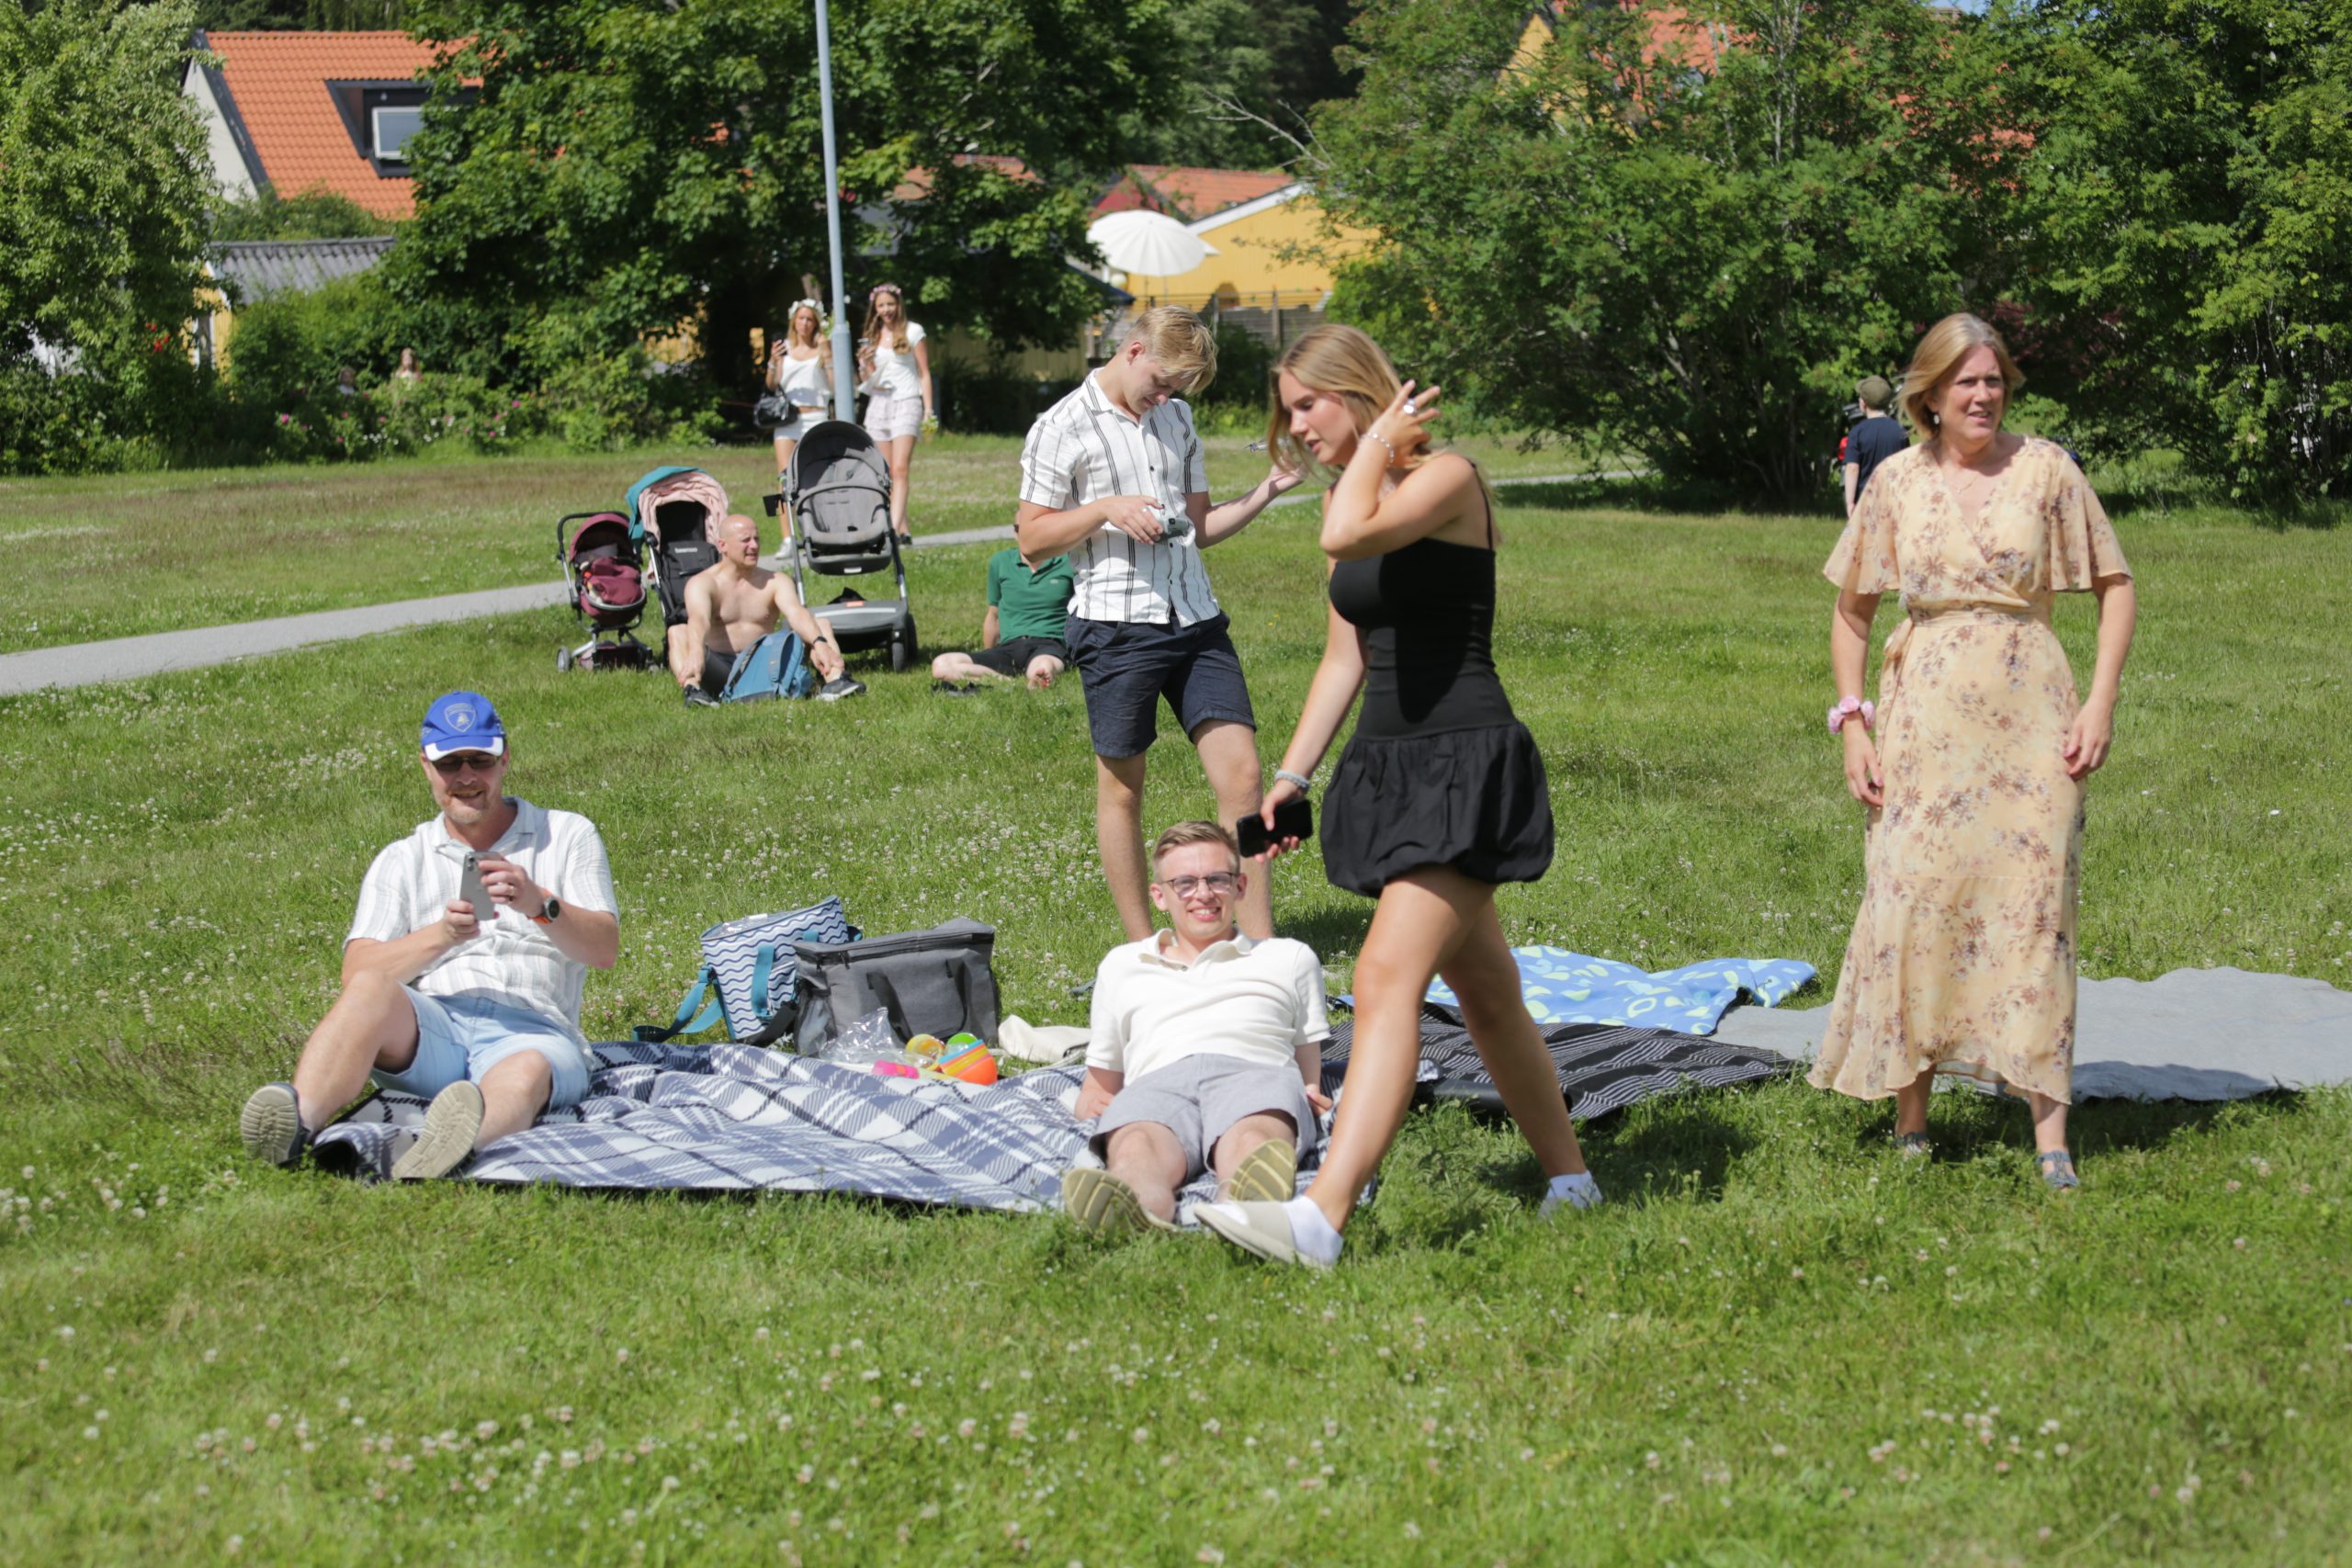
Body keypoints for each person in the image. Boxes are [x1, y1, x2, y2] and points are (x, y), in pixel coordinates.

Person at [1195, 323, 1599, 1270]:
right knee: (1486, 994)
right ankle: (1574, 1184)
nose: (1298, 427)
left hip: (1464, 762)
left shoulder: (1445, 478)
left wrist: (1377, 444)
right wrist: (1291, 777)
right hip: (1392, 766)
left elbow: (1342, 534)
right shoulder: (1357, 495)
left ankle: (1320, 1218)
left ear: (1358, 392)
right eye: (1288, 412)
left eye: (1309, 405)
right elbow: (1345, 657)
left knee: (1382, 979)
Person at [1815, 312, 2137, 1190]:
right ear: (1930, 394)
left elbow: (2116, 585)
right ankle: (1911, 1120)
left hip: (2034, 720)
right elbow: (1852, 611)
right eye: (1966, 381)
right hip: (1922, 723)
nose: (1984, 395)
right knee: (1913, 898)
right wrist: (1853, 722)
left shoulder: (2048, 469)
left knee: (2034, 909)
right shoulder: (1895, 480)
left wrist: (2100, 702)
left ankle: (2051, 1136)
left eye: (1994, 380)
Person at [236, 692, 620, 1180]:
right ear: (425, 766)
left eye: (480, 760)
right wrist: (441, 936)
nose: (466, 777)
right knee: (372, 988)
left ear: (505, 759)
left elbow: (603, 950)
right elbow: (356, 974)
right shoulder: (402, 859)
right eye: (449, 763)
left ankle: (453, 1146)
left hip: (535, 1028)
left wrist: (539, 904)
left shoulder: (565, 834)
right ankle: (297, 1123)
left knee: (524, 1070)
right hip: (437, 1027)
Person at [1013, 306, 1305, 943]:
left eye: (1179, 388)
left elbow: (1198, 528)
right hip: (1116, 629)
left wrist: (1268, 489)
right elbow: (1031, 540)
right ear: (1134, 351)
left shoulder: (1177, 417)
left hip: (1196, 619)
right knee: (1123, 791)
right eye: (1163, 382)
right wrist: (1105, 509)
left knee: (1244, 778)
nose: (1167, 396)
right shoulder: (1061, 425)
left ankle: (1258, 946)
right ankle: (1145, 949)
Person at [1061, 821, 1332, 1235]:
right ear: (1160, 896)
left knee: (1255, 1139)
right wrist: (1103, 1109)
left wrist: (1308, 1096)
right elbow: (1098, 1087)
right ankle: (1136, 1207)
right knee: (1136, 1145)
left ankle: (1243, 1207)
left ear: (1240, 886)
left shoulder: (1289, 958)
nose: (1203, 894)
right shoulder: (1123, 965)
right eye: (1184, 883)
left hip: (1254, 1072)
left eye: (1217, 880)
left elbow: (1307, 1071)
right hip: (1158, 1082)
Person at [673, 513, 847, 705]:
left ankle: (836, 681)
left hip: (766, 666)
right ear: (723, 545)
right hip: (719, 669)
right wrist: (696, 651)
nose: (754, 546)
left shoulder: (775, 581)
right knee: (677, 632)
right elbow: (699, 620)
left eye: (756, 539)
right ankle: (693, 692)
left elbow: (796, 613)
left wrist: (819, 642)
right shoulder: (703, 583)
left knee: (820, 625)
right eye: (745, 540)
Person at [930, 544, 1075, 690]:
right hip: (1009, 647)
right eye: (1018, 531)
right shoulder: (1001, 561)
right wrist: (988, 653)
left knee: (1044, 665)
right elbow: (993, 615)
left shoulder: (1068, 560)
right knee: (941, 665)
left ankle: (1040, 676)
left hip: (1049, 644)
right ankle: (1007, 682)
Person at [857, 282, 931, 547]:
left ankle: (893, 528)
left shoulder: (913, 331)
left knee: (900, 468)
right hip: (879, 402)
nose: (886, 310)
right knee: (886, 473)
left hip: (906, 400)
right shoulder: (872, 335)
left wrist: (928, 409)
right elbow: (868, 379)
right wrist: (865, 363)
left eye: (890, 304)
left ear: (898, 305)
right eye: (881, 305)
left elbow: (924, 372)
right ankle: (903, 528)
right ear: (875, 309)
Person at [766, 299, 832, 479]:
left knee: (815, 476)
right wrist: (772, 361)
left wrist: (827, 355)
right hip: (788, 419)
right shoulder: (785, 349)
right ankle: (785, 500)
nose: (804, 323)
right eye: (801, 318)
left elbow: (834, 386)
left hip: (816, 417)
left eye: (809, 319)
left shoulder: (822, 349)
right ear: (794, 321)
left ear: (816, 323)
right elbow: (772, 384)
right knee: (786, 476)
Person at [1843, 374, 1907, 518]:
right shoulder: (1900, 431)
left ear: (1863, 403)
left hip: (1865, 502)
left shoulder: (1857, 432)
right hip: (1893, 501)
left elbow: (1852, 468)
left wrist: (1850, 503)